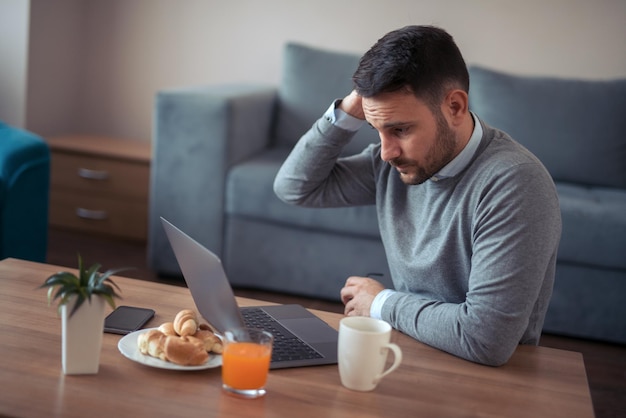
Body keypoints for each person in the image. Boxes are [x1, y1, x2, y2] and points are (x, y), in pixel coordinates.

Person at [273, 25, 561, 366]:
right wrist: (349, 110)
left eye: (399, 129)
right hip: (406, 349)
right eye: (376, 129)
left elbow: (485, 339)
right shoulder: (396, 165)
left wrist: (380, 303)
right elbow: (294, 186)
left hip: (483, 379)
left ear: (454, 106)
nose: (386, 152)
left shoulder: (514, 183)